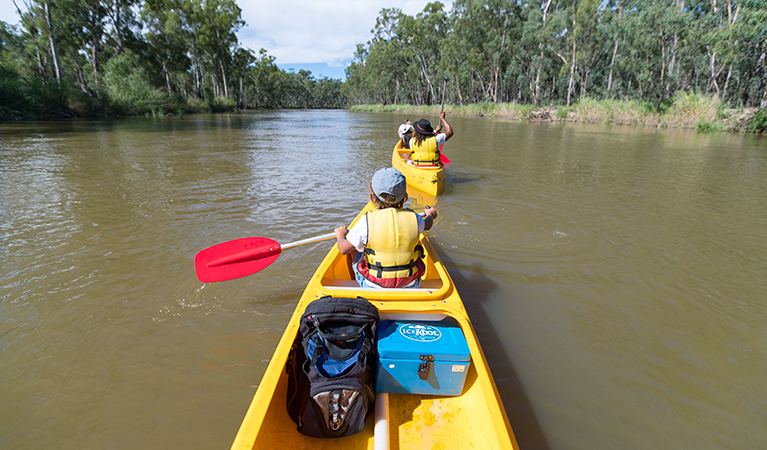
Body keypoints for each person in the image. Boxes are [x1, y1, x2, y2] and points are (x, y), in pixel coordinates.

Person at [334, 168, 438, 289]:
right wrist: (430, 214)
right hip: (410, 284)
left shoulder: (365, 221)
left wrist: (341, 235)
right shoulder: (415, 218)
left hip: (374, 285)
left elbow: (343, 249)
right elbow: (428, 224)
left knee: (356, 249)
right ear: (405, 196)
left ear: (372, 195)